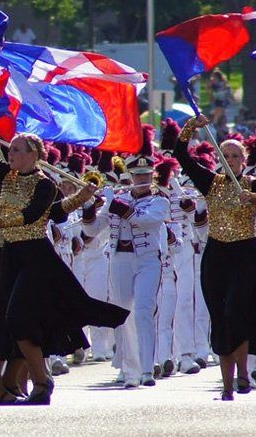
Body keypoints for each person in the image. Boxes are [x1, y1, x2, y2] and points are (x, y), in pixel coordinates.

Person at [0, 115, 124, 405]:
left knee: (18, 317)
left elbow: (35, 214)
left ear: (34, 155)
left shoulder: (44, 183)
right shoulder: (8, 177)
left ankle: (41, 381)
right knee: (17, 322)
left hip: (35, 257)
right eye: (10, 149)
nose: (10, 154)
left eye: (16, 150)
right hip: (10, 258)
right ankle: (29, 382)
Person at [172, 115, 256, 400]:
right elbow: (181, 156)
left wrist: (254, 198)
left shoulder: (252, 183)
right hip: (217, 254)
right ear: (221, 157)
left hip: (244, 254)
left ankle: (243, 373)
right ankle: (226, 383)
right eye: (227, 155)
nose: (231, 159)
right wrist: (190, 128)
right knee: (220, 316)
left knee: (237, 311)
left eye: (236, 155)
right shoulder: (212, 183)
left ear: (243, 159)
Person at [105, 130, 168, 389]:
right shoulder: (118, 198)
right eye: (137, 175)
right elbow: (91, 229)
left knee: (143, 311)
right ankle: (128, 369)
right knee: (122, 313)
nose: (141, 179)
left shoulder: (159, 201)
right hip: (120, 259)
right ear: (130, 176)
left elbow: (147, 220)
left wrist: (118, 207)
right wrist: (90, 206)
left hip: (148, 261)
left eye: (145, 175)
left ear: (151, 176)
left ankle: (146, 368)